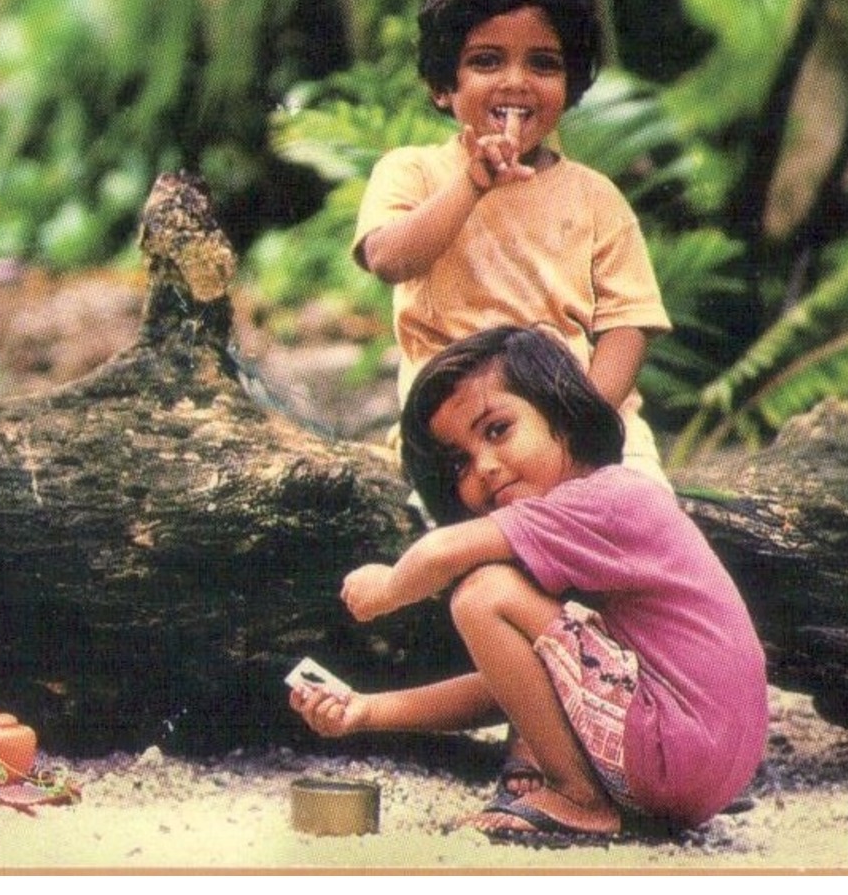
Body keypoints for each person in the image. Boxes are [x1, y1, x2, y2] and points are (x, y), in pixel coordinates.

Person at [290, 326, 767, 840]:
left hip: (674, 745)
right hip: (697, 769)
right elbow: (524, 689)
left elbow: (441, 551)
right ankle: (584, 792)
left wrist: (386, 590)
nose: (486, 468)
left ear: (561, 414)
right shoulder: (586, 529)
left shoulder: (605, 500)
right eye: (460, 462)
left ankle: (578, 797)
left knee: (483, 592)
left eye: (497, 430)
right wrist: (366, 710)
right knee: (491, 596)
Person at [353, 0, 672, 484]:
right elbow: (388, 258)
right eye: (486, 61)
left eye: (543, 63)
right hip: (460, 429)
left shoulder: (595, 197)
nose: (516, 81)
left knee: (641, 521)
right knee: (479, 548)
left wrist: (581, 422)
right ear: (442, 85)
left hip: (580, 422)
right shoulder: (413, 172)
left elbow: (628, 323)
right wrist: (472, 184)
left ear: (570, 86)